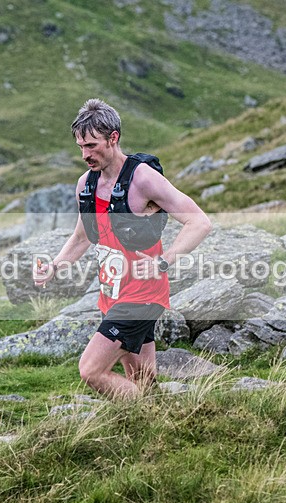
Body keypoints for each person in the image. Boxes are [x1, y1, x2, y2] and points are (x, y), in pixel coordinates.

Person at [32, 98, 212, 400]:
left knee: (91, 370)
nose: (85, 154)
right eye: (80, 147)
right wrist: (55, 265)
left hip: (142, 295)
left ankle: (151, 415)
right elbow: (81, 237)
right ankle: (161, 422)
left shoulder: (142, 179)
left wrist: (164, 262)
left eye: (91, 146)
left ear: (113, 138)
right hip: (112, 295)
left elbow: (199, 222)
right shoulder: (85, 185)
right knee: (142, 380)